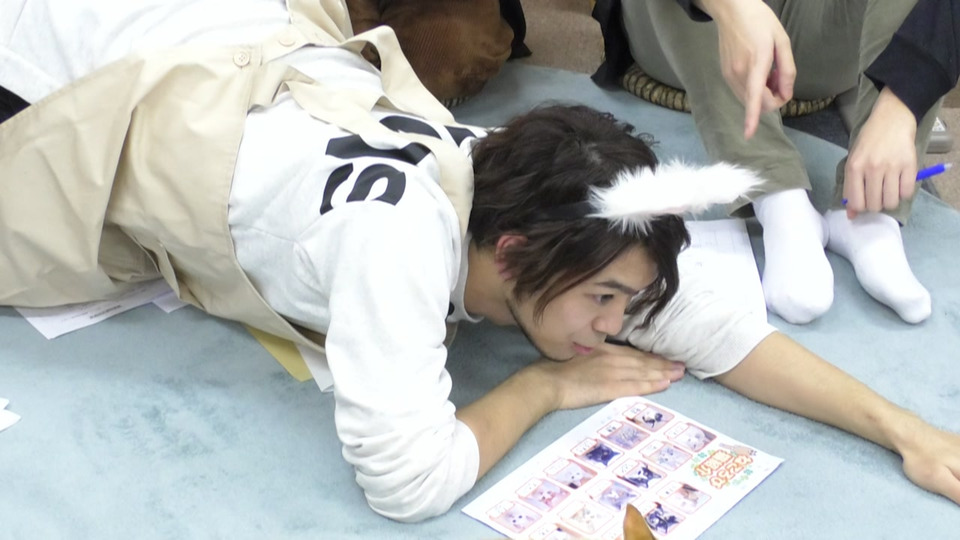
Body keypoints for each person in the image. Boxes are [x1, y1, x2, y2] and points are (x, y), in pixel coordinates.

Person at [2, 0, 959, 524]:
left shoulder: (517, 178)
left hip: (244, 36)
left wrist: (907, 431)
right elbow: (408, 482)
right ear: (512, 253)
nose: (617, 328)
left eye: (622, 304)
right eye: (605, 300)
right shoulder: (393, 245)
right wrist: (542, 388)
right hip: (80, 72)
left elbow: (715, 326)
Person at [592, 0, 960, 324]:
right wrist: (730, 8)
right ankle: (779, 197)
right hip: (675, 28)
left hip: (810, 36)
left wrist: (899, 106)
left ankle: (869, 213)